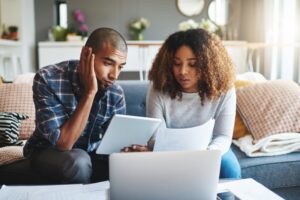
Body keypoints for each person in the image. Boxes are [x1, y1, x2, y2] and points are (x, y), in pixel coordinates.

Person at [123, 28, 241, 178]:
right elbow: (155, 137)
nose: (183, 71)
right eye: (176, 63)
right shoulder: (158, 88)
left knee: (229, 168)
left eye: (192, 64)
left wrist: (206, 155)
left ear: (209, 65)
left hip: (208, 148)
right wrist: (177, 156)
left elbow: (223, 137)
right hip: (167, 149)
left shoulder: (225, 89)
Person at [23, 27, 127, 184]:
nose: (114, 75)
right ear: (86, 54)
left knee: (128, 164)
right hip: (48, 152)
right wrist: (90, 93)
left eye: (120, 66)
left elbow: (115, 144)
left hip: (92, 154)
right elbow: (63, 143)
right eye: (107, 63)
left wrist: (130, 150)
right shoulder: (48, 78)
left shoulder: (115, 93)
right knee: (78, 162)